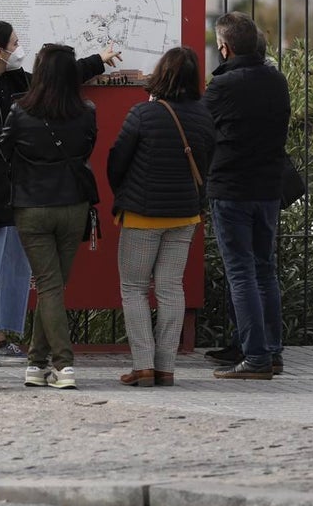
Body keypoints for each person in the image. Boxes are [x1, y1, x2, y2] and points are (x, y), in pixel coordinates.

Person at [0, 19, 121, 367]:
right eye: (14, 43)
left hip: (19, 188)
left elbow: (57, 77)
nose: (19, 47)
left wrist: (97, 60)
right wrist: (18, 131)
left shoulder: (16, 79)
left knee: (13, 263)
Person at [108, 47, 215, 387]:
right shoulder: (204, 115)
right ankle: (166, 367)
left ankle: (143, 366)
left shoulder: (142, 114)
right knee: (171, 288)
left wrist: (124, 192)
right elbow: (208, 164)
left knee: (135, 289)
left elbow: (117, 162)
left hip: (142, 215)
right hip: (185, 215)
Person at [0, 43, 98, 390]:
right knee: (54, 285)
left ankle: (61, 366)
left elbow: (3, 150)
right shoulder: (87, 111)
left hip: (32, 206)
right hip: (73, 205)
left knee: (49, 285)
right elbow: (87, 149)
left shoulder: (20, 110)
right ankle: (36, 363)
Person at [204, 12, 291, 380]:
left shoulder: (223, 86)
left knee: (240, 272)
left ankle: (254, 357)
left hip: (232, 187)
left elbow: (202, 127)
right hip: (268, 188)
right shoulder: (277, 79)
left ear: (224, 48)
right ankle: (271, 351)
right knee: (264, 270)